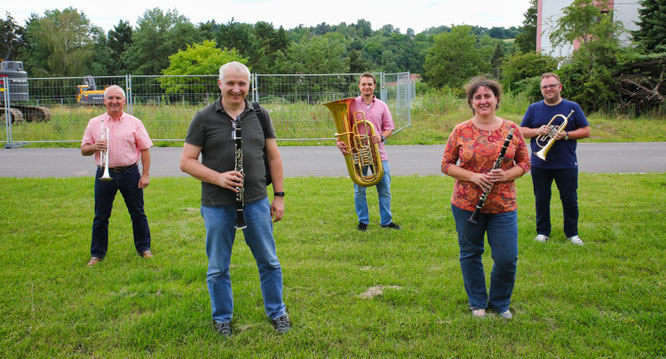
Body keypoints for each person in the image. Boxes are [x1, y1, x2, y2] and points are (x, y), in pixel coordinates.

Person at [180, 61, 290, 337]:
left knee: (269, 261)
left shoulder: (260, 114)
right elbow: (186, 162)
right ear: (220, 84)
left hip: (256, 202)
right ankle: (222, 318)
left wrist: (278, 196)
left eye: (242, 83)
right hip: (217, 204)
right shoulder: (204, 117)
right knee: (218, 267)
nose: (236, 89)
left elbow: (274, 157)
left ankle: (277, 312)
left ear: (248, 85)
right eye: (230, 83)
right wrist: (217, 178)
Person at [441, 77, 530, 319]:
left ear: (497, 99)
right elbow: (446, 164)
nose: (483, 101)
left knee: (507, 257)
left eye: (487, 96)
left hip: (503, 204)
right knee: (470, 253)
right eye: (477, 97)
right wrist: (472, 176)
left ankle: (500, 303)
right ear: (471, 102)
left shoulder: (512, 129)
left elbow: (525, 162)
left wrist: (506, 174)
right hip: (466, 203)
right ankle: (477, 302)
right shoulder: (460, 130)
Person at [81, 85, 154, 267]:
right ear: (104, 101)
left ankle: (144, 248)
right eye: (110, 98)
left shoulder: (134, 122)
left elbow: (145, 149)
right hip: (103, 174)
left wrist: (145, 175)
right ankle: (97, 254)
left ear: (124, 101)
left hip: (130, 173)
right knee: (101, 216)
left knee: (137, 213)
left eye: (118, 98)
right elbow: (84, 150)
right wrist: (94, 147)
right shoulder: (94, 123)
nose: (114, 101)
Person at [520, 73, 590, 246]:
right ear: (541, 90)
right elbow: (521, 130)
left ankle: (572, 234)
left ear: (560, 87)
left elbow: (586, 131)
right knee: (541, 199)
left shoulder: (572, 107)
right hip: (540, 163)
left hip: (566, 163)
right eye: (544, 87)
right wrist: (538, 131)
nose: (548, 89)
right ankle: (543, 232)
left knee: (570, 199)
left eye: (552, 85)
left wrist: (566, 134)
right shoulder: (534, 108)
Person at [336, 73, 400, 231]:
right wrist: (340, 143)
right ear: (359, 86)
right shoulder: (350, 104)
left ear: (374, 86)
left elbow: (389, 128)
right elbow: (343, 129)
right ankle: (363, 221)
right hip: (358, 152)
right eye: (363, 84)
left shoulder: (382, 105)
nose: (366, 87)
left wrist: (381, 138)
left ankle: (386, 221)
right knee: (359, 190)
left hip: (378, 152)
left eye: (370, 84)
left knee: (385, 189)